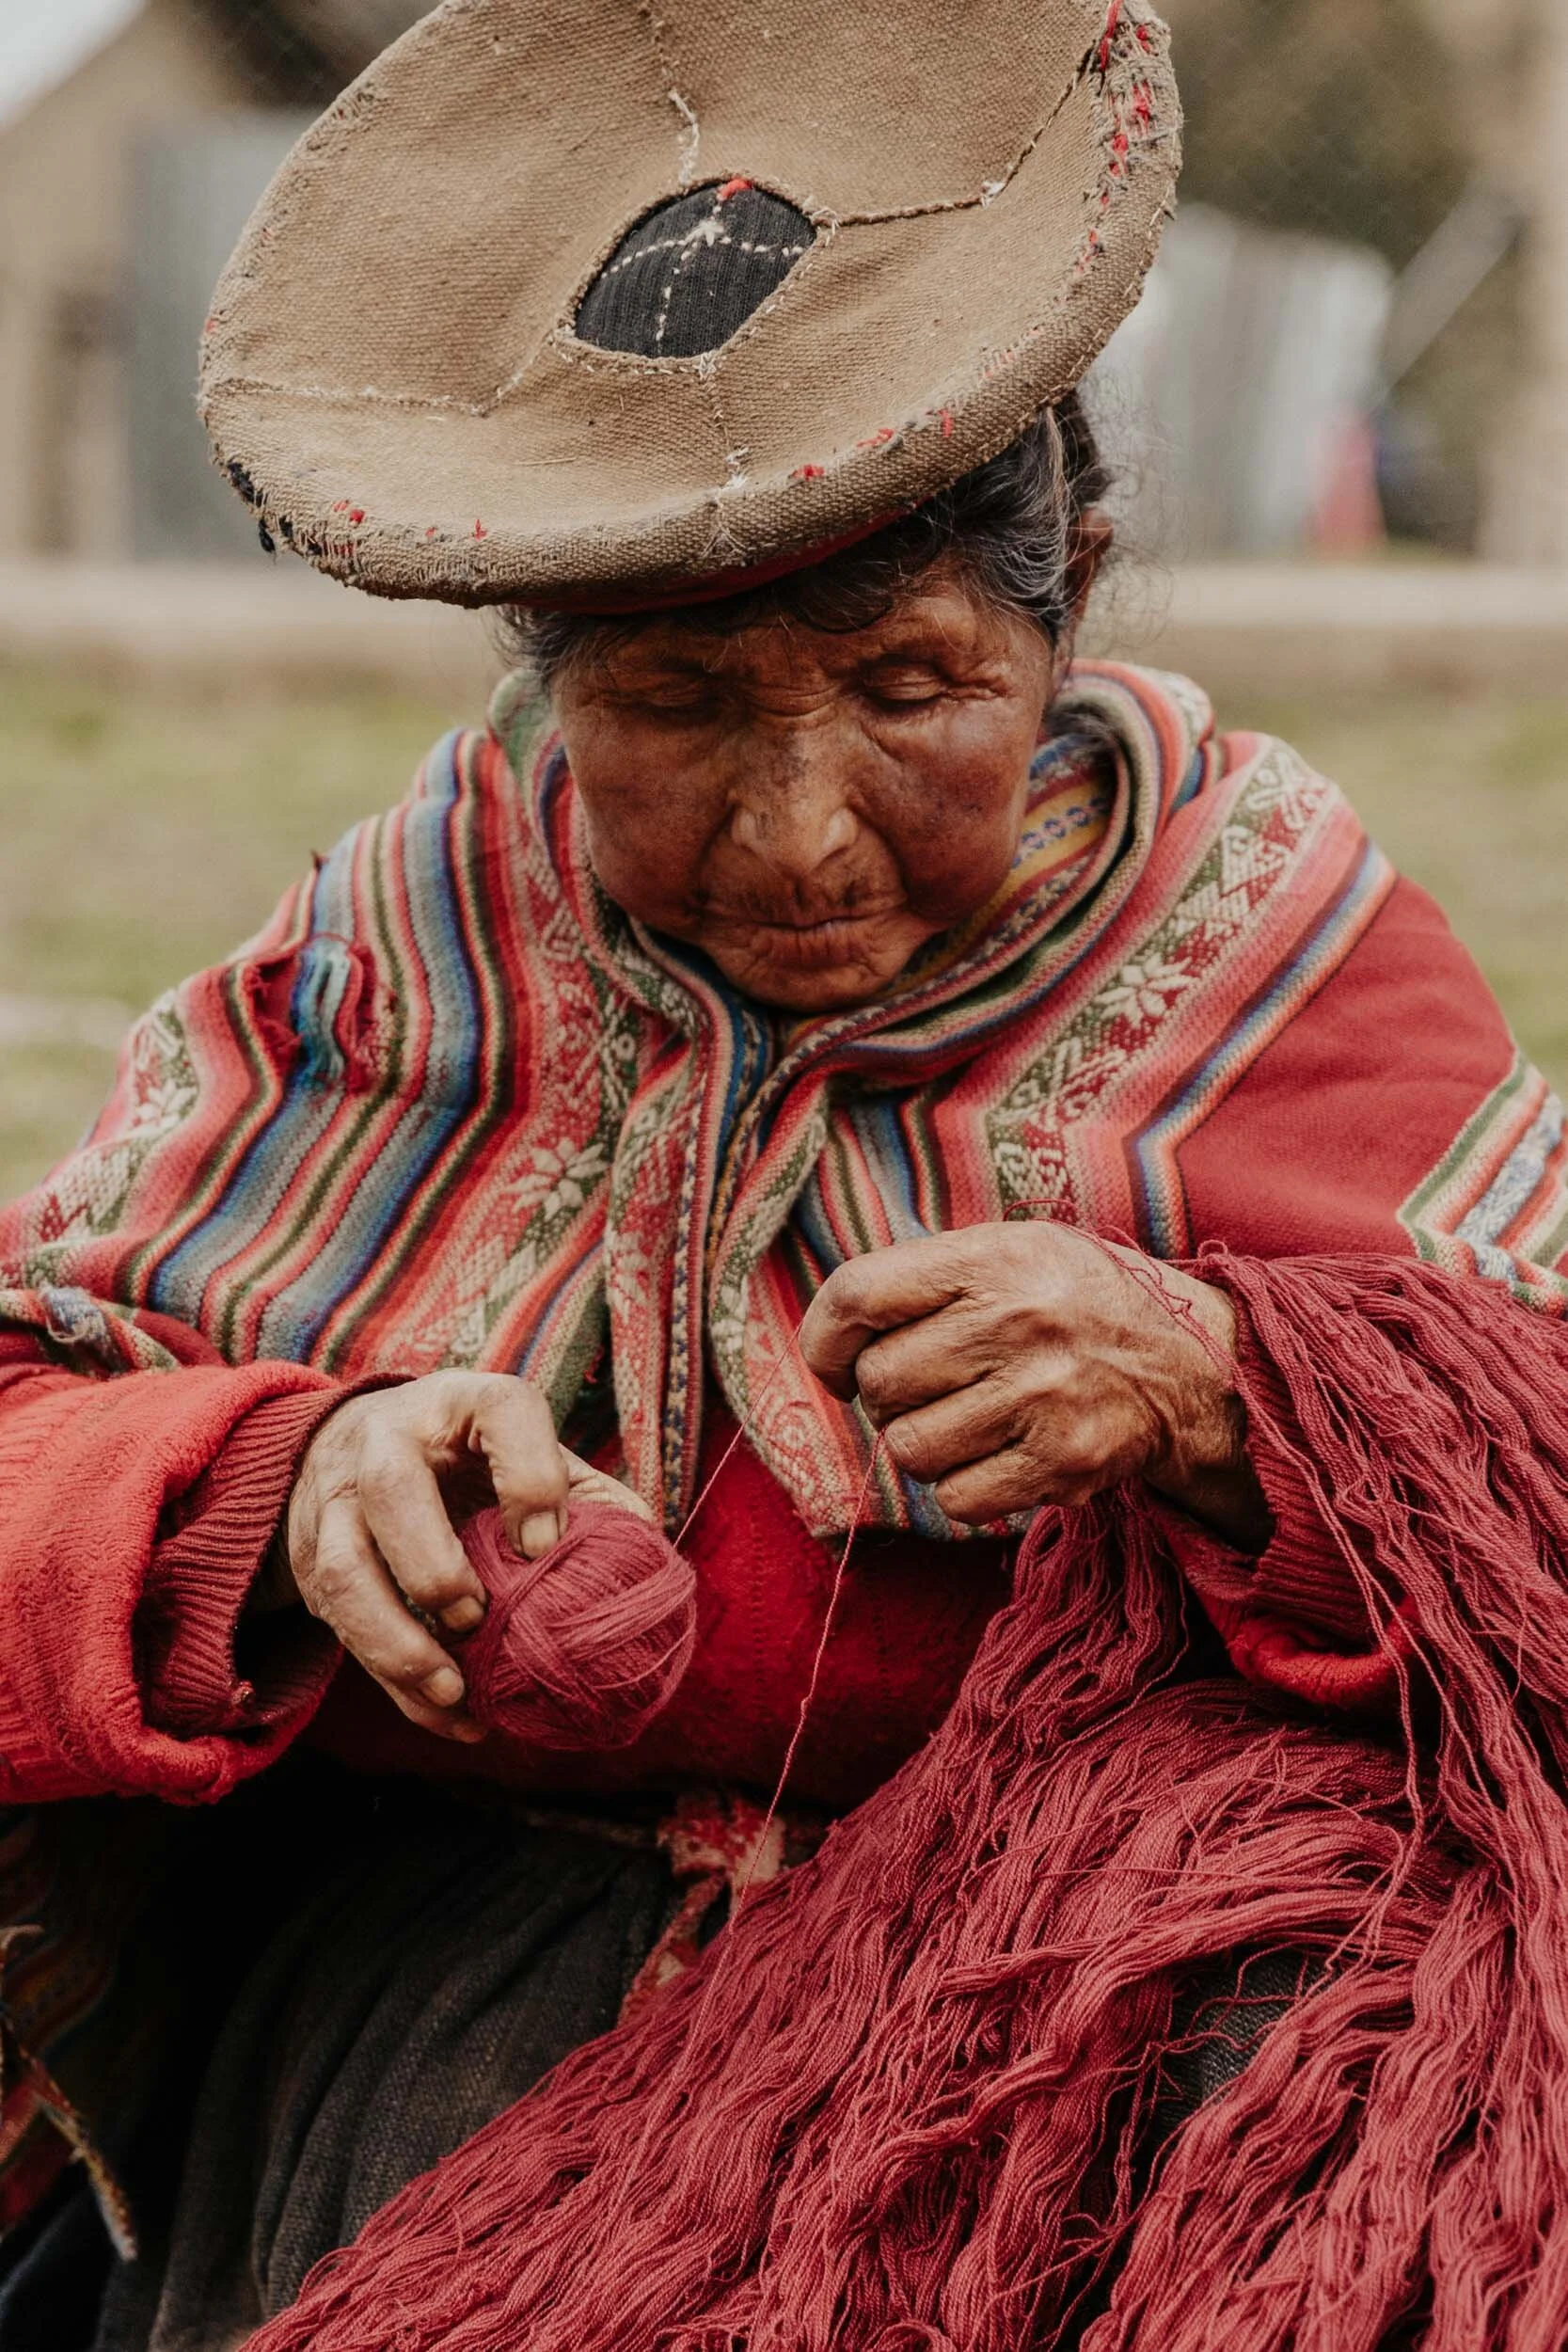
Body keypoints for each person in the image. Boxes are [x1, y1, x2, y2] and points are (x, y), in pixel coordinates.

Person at [2, 2, 1567, 2345]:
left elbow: (1524, 1491)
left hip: (1060, 2023)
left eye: (910, 686)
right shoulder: (410, 945)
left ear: (1066, 596)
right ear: (544, 681)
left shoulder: (1264, 940)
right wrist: (275, 1485)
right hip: (440, 2009)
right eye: (670, 709)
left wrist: (1231, 1389)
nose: (801, 828)